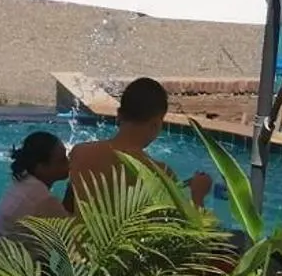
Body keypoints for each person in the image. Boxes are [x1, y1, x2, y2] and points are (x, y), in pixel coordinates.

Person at [66, 77, 212, 209]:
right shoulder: (160, 173)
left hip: (80, 239)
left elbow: (67, 209)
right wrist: (197, 195)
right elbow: (190, 232)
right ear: (155, 123)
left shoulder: (80, 154)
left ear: (119, 114)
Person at [0, 131, 70, 234]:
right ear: (40, 167)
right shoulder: (42, 199)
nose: (69, 163)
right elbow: (73, 235)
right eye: (62, 160)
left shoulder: (22, 182)